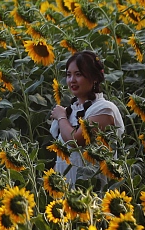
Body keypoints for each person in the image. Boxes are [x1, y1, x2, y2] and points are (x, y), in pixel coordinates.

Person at [49, 50, 125, 185]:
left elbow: (76, 141)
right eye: (68, 75)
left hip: (93, 189)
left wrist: (61, 117)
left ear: (94, 78)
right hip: (66, 191)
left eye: (78, 74)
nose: (72, 80)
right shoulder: (72, 111)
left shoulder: (104, 109)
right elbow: (62, 156)